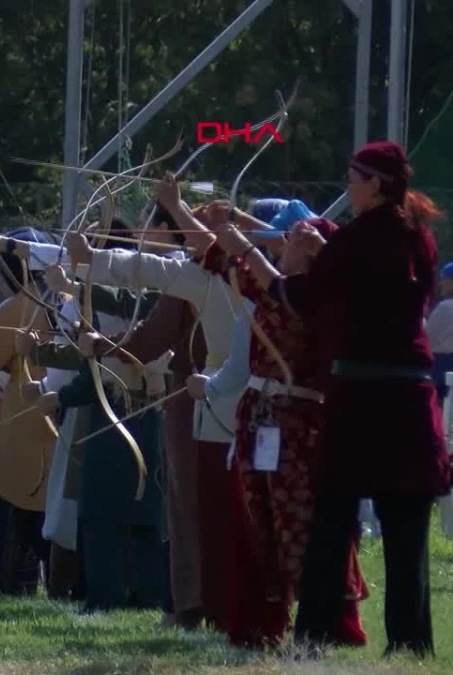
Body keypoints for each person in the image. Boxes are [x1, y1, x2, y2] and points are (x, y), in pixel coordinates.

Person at [212, 140, 450, 656]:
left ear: (374, 184)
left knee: (331, 519)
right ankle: (411, 646)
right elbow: (366, 286)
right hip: (411, 396)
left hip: (363, 396)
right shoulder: (418, 238)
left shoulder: (360, 238)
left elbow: (295, 296)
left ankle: (316, 636)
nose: (347, 187)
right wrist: (325, 258)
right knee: (406, 527)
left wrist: (250, 254)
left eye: (352, 177)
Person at [425, 262, 453, 399]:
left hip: (440, 366)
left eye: (444, 280)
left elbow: (427, 337)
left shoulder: (445, 307)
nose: (441, 284)